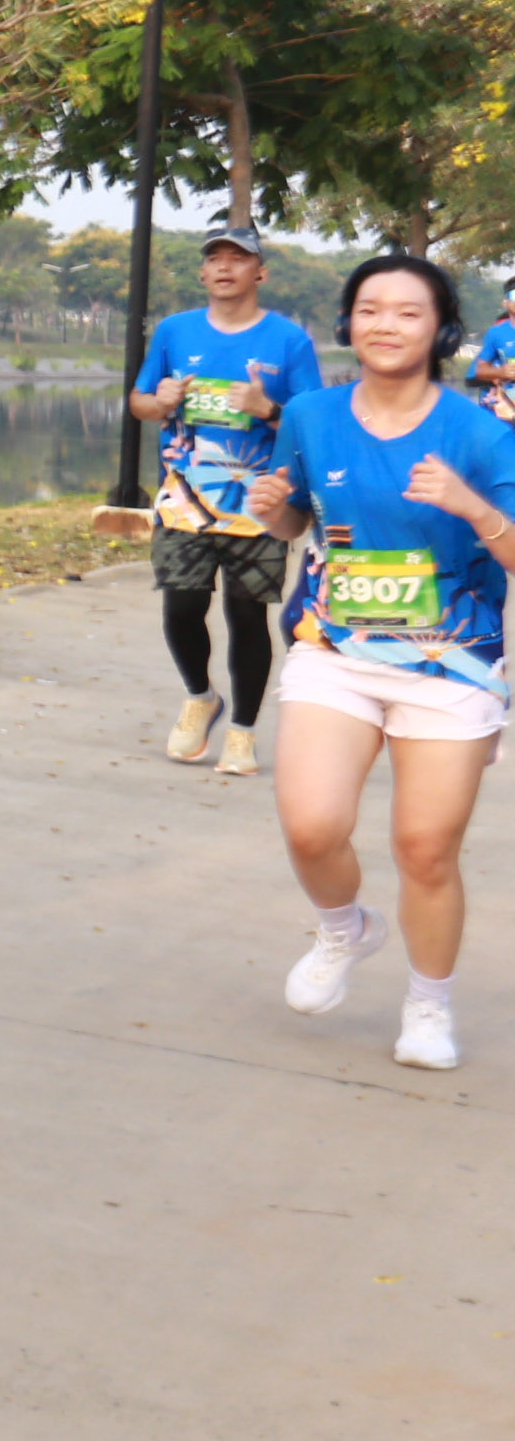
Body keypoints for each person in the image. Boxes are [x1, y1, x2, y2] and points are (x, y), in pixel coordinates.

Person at [246, 253, 515, 1073]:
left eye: (407, 312)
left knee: (425, 849)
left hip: (452, 663)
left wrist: (470, 506)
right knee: (310, 826)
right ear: (346, 321)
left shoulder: (480, 433)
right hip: (337, 649)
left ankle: (429, 1005)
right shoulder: (310, 414)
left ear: (442, 329)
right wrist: (273, 510)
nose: (385, 325)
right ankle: (345, 929)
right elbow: (299, 522)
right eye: (369, 309)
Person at [129, 224, 324, 774]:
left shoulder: (288, 340)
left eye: (237, 259)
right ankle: (200, 695)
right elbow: (140, 402)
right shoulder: (174, 331)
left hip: (259, 500)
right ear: (202, 272)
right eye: (215, 258)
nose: (224, 267)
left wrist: (268, 410)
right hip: (185, 497)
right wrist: (159, 401)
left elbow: (313, 422)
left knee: (246, 615)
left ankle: (242, 731)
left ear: (259, 273)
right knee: (181, 607)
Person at [472, 277, 515, 424]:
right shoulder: (495, 333)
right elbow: (480, 371)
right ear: (505, 302)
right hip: (506, 413)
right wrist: (501, 372)